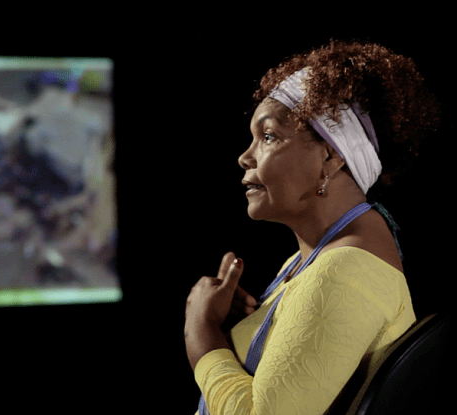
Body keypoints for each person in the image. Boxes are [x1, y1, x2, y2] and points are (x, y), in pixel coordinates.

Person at [184, 40, 440, 415]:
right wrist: (243, 330)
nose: (244, 156)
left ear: (330, 157)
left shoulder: (344, 270)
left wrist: (202, 331)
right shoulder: (311, 259)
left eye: (268, 136)